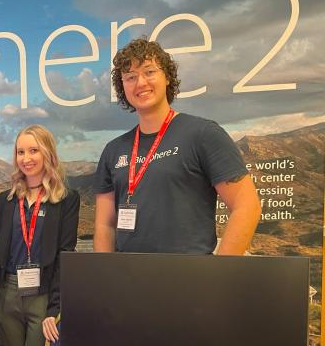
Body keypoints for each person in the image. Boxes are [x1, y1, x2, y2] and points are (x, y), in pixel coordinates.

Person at [93, 37, 261, 257]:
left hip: (190, 281)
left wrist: (219, 275)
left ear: (168, 78)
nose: (140, 83)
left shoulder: (203, 134)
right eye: (130, 77)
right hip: (128, 282)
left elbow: (247, 206)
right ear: (122, 87)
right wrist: (105, 280)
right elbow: (105, 226)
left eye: (149, 72)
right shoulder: (114, 150)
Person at [0, 125, 80, 346]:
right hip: (8, 293)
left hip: (42, 293)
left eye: (33, 150)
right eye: (20, 152)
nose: (26, 159)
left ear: (47, 153)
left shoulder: (66, 199)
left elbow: (65, 255)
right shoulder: (5, 201)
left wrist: (54, 309)